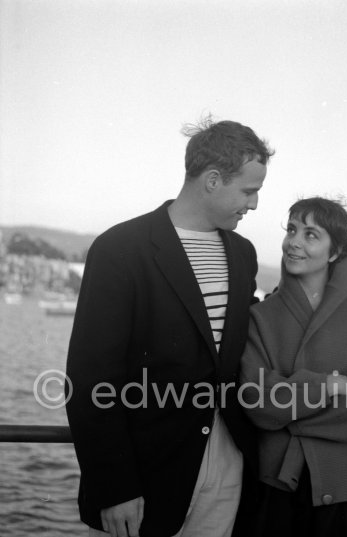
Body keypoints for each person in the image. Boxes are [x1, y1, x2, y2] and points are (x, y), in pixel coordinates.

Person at [65, 118, 274, 537]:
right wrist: (114, 486)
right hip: (143, 479)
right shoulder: (120, 249)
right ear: (213, 180)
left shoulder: (242, 254)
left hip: (226, 465)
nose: (253, 205)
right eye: (249, 191)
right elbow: (89, 379)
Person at [240, 197, 347, 537]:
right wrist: (325, 386)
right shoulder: (260, 318)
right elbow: (256, 402)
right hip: (279, 489)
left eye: (311, 234)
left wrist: (288, 412)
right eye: (292, 229)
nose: (294, 241)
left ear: (336, 251)